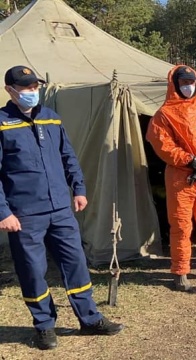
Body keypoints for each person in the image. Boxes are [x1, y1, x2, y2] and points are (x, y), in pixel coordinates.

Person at [0, 65, 123, 350]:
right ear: (10, 90)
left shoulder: (51, 118)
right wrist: (3, 212)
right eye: (26, 87)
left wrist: (78, 189)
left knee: (76, 263)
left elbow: (68, 156)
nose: (32, 92)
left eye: (34, 87)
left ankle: (90, 319)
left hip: (60, 209)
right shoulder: (3, 123)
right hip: (24, 213)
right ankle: (44, 326)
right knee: (32, 270)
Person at [146, 65, 196, 292]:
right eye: (183, 83)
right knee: (181, 225)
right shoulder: (164, 114)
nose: (188, 87)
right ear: (174, 85)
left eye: (191, 83)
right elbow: (163, 145)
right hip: (181, 177)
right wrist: (191, 161)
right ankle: (180, 270)